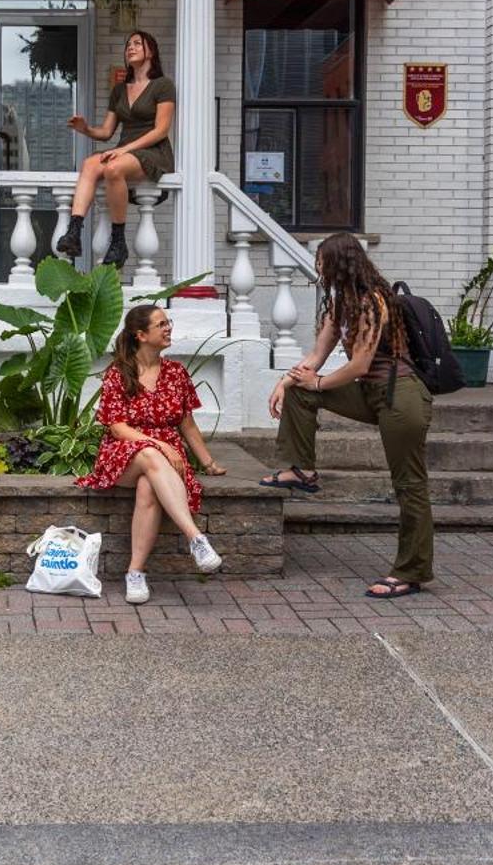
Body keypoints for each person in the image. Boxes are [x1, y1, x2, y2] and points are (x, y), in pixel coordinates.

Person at [262, 232, 434, 600]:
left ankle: (411, 571)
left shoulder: (373, 302)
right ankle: (302, 470)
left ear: (339, 263)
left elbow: (359, 364)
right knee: (298, 391)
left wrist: (318, 383)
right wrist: (285, 381)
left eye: (322, 260)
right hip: (369, 393)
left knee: (409, 485)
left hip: (400, 396)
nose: (318, 267)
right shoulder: (340, 305)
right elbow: (315, 356)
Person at [77, 303, 225, 603]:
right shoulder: (119, 373)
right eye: (161, 324)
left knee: (149, 486)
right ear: (141, 334)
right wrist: (158, 444)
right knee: (148, 456)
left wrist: (208, 463)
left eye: (168, 322)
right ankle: (195, 538)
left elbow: (188, 424)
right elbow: (117, 428)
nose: (168, 328)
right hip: (125, 453)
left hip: (163, 459)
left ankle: (135, 573)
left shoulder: (176, 373)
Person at [57, 31, 176, 267]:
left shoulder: (163, 85)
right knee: (89, 164)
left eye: (136, 44)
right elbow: (106, 132)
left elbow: (161, 130)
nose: (130, 48)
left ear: (150, 51)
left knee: (113, 169)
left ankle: (118, 241)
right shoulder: (120, 90)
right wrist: (86, 129)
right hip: (126, 150)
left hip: (153, 151)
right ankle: (74, 232)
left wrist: (125, 150)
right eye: (127, 45)